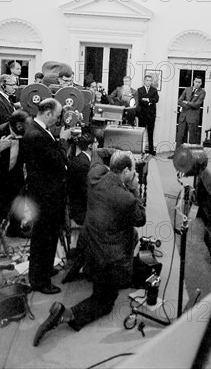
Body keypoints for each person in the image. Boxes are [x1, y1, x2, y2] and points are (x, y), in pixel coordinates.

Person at [33, 151, 146, 346]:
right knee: (105, 301)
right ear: (127, 171)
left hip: (90, 246)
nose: (135, 174)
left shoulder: (95, 176)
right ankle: (65, 314)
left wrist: (117, 154)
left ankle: (98, 275)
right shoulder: (125, 198)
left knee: (130, 238)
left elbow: (97, 155)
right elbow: (140, 218)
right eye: (133, 171)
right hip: (110, 257)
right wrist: (135, 189)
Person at [21, 98, 71, 294]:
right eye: (57, 117)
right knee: (44, 237)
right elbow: (58, 161)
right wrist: (63, 140)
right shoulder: (37, 135)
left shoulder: (38, 129)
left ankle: (45, 269)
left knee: (48, 237)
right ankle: (40, 282)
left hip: (45, 193)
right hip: (45, 196)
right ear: (48, 113)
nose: (58, 120)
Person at [0, 110, 30, 248]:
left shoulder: (26, 134)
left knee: (18, 203)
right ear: (18, 125)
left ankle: (14, 229)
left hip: (16, 175)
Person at [169, 76, 205, 159]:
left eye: (199, 82)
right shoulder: (187, 89)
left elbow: (197, 104)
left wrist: (186, 103)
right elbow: (179, 101)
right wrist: (188, 104)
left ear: (201, 83)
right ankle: (177, 155)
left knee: (192, 138)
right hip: (183, 117)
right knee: (179, 136)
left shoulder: (202, 92)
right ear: (193, 81)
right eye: (196, 81)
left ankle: (192, 156)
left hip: (193, 117)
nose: (197, 84)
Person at [66, 129, 97, 226]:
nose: (98, 144)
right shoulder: (83, 164)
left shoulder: (80, 159)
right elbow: (84, 190)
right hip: (80, 210)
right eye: (96, 142)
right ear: (90, 146)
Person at [136, 75, 159, 155]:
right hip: (142, 115)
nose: (149, 82)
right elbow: (139, 100)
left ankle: (151, 150)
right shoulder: (139, 90)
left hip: (151, 115)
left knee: (150, 133)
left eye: (150, 80)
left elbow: (156, 99)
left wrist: (147, 99)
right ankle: (140, 150)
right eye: (147, 80)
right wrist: (149, 101)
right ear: (144, 81)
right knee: (141, 133)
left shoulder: (154, 90)